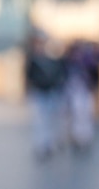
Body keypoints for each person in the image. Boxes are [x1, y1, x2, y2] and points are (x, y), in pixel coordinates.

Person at [24, 33, 67, 161]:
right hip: (39, 92)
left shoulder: (53, 59)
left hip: (51, 92)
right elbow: (28, 76)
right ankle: (41, 145)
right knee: (40, 120)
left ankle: (49, 144)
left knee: (51, 120)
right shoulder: (33, 59)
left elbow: (60, 74)